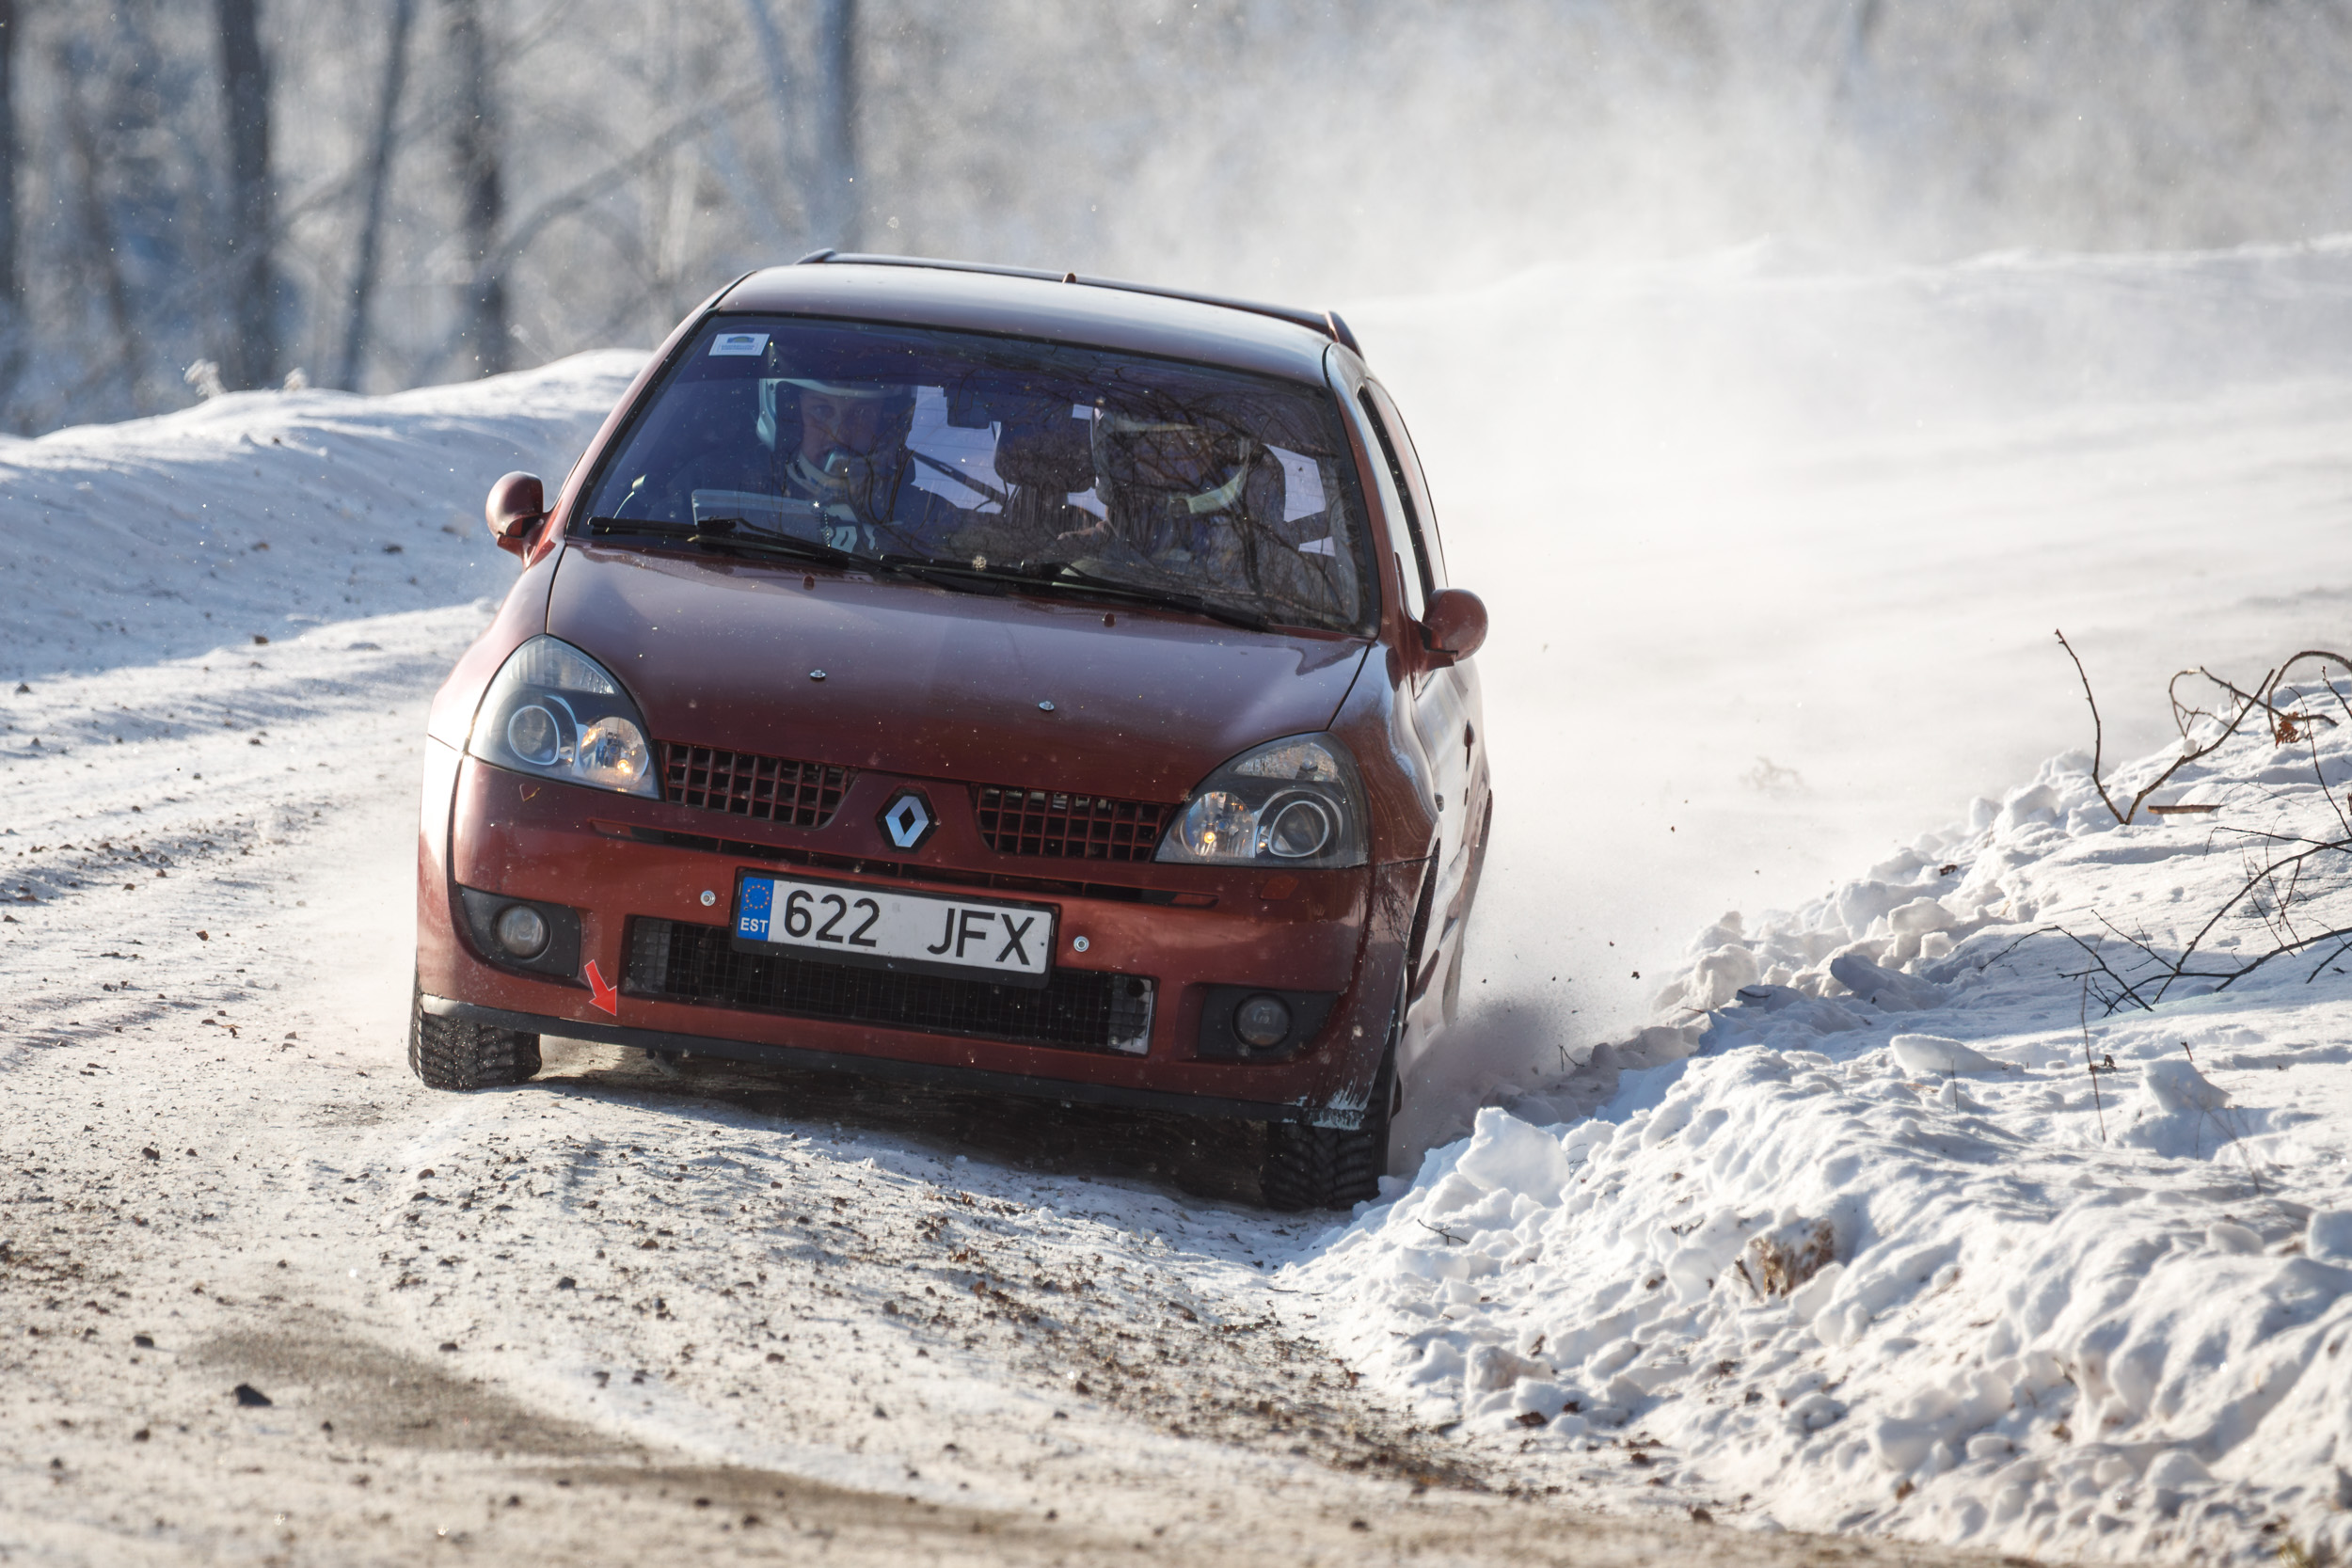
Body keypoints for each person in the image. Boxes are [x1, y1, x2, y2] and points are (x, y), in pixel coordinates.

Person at [772, 378, 968, 556]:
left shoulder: (930, 514)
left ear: (884, 425)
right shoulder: (763, 500)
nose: (839, 434)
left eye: (861, 413)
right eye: (821, 410)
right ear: (791, 418)